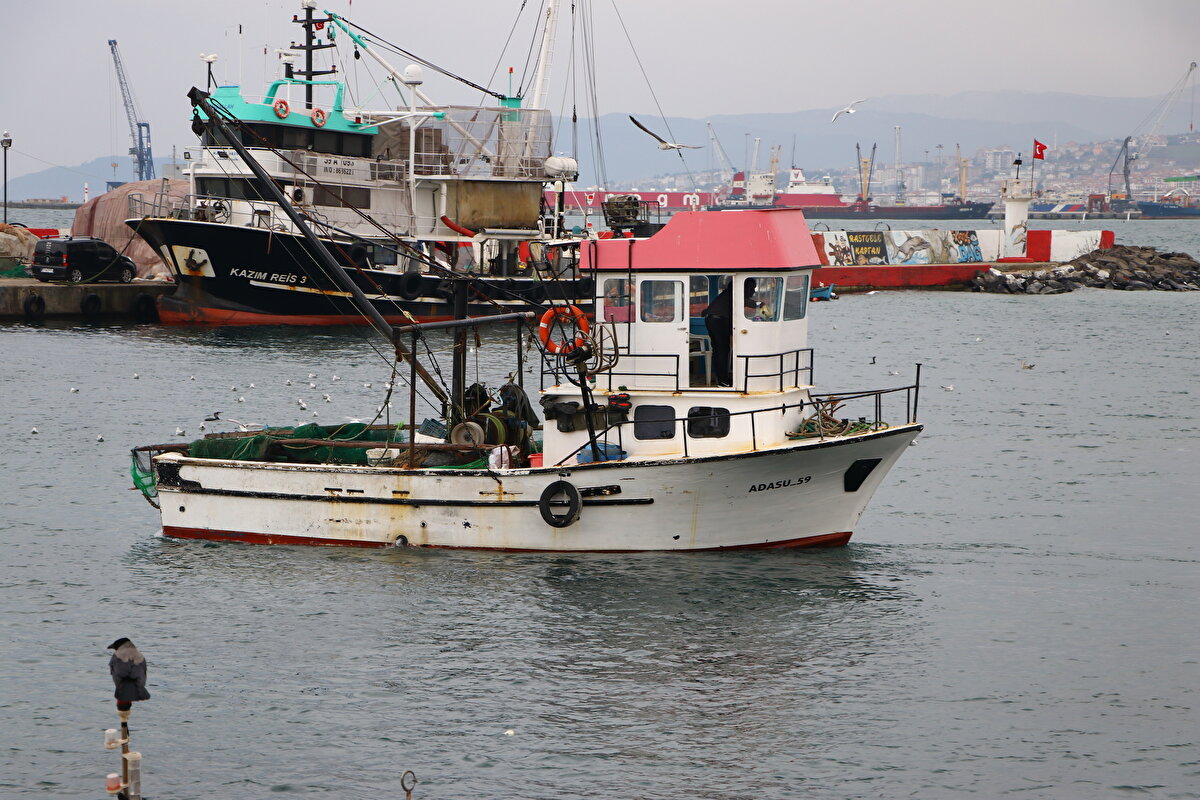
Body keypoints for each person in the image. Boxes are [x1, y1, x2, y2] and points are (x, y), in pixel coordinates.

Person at [702, 282, 734, 386]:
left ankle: (720, 378)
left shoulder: (726, 294)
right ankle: (723, 381)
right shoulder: (734, 293)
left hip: (710, 320)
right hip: (718, 321)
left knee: (718, 350)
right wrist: (759, 304)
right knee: (723, 350)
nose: (752, 292)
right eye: (752, 288)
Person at [108, 638, 150, 712]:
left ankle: (123, 705)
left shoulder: (116, 656)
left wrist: (120, 687)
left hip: (123, 686)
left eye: (115, 645)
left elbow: (117, 674)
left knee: (125, 694)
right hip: (136, 686)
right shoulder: (140, 656)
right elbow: (142, 674)